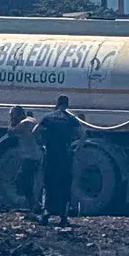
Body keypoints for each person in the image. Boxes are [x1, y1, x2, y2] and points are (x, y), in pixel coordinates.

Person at [36, 94, 82, 226]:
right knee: (65, 185)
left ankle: (46, 214)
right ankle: (63, 217)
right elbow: (82, 135)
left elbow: (35, 131)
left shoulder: (48, 117)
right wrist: (75, 148)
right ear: (67, 105)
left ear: (56, 103)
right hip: (65, 157)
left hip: (51, 156)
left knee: (48, 184)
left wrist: (41, 146)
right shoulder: (71, 119)